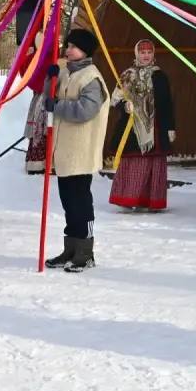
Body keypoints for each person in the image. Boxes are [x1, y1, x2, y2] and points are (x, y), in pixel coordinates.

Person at [44, 28, 110, 272]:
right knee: (68, 201)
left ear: (85, 51)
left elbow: (85, 110)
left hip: (81, 151)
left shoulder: (91, 78)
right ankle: (70, 248)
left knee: (80, 202)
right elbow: (47, 99)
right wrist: (49, 79)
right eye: (68, 45)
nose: (68, 49)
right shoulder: (64, 71)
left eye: (73, 46)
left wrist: (58, 105)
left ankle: (85, 251)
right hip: (64, 151)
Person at [108, 40, 176, 213]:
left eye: (149, 52)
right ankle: (129, 198)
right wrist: (125, 106)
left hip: (157, 127)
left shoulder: (160, 76)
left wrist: (170, 127)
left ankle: (152, 201)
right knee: (135, 161)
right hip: (133, 128)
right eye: (143, 52)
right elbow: (115, 99)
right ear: (136, 54)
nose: (146, 56)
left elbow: (167, 103)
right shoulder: (128, 75)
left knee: (154, 162)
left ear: (154, 54)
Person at [22, 31, 50, 174]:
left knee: (47, 129)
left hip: (50, 99)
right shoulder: (35, 58)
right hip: (41, 99)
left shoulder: (50, 57)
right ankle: (37, 163)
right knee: (40, 128)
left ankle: (44, 163)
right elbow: (27, 76)